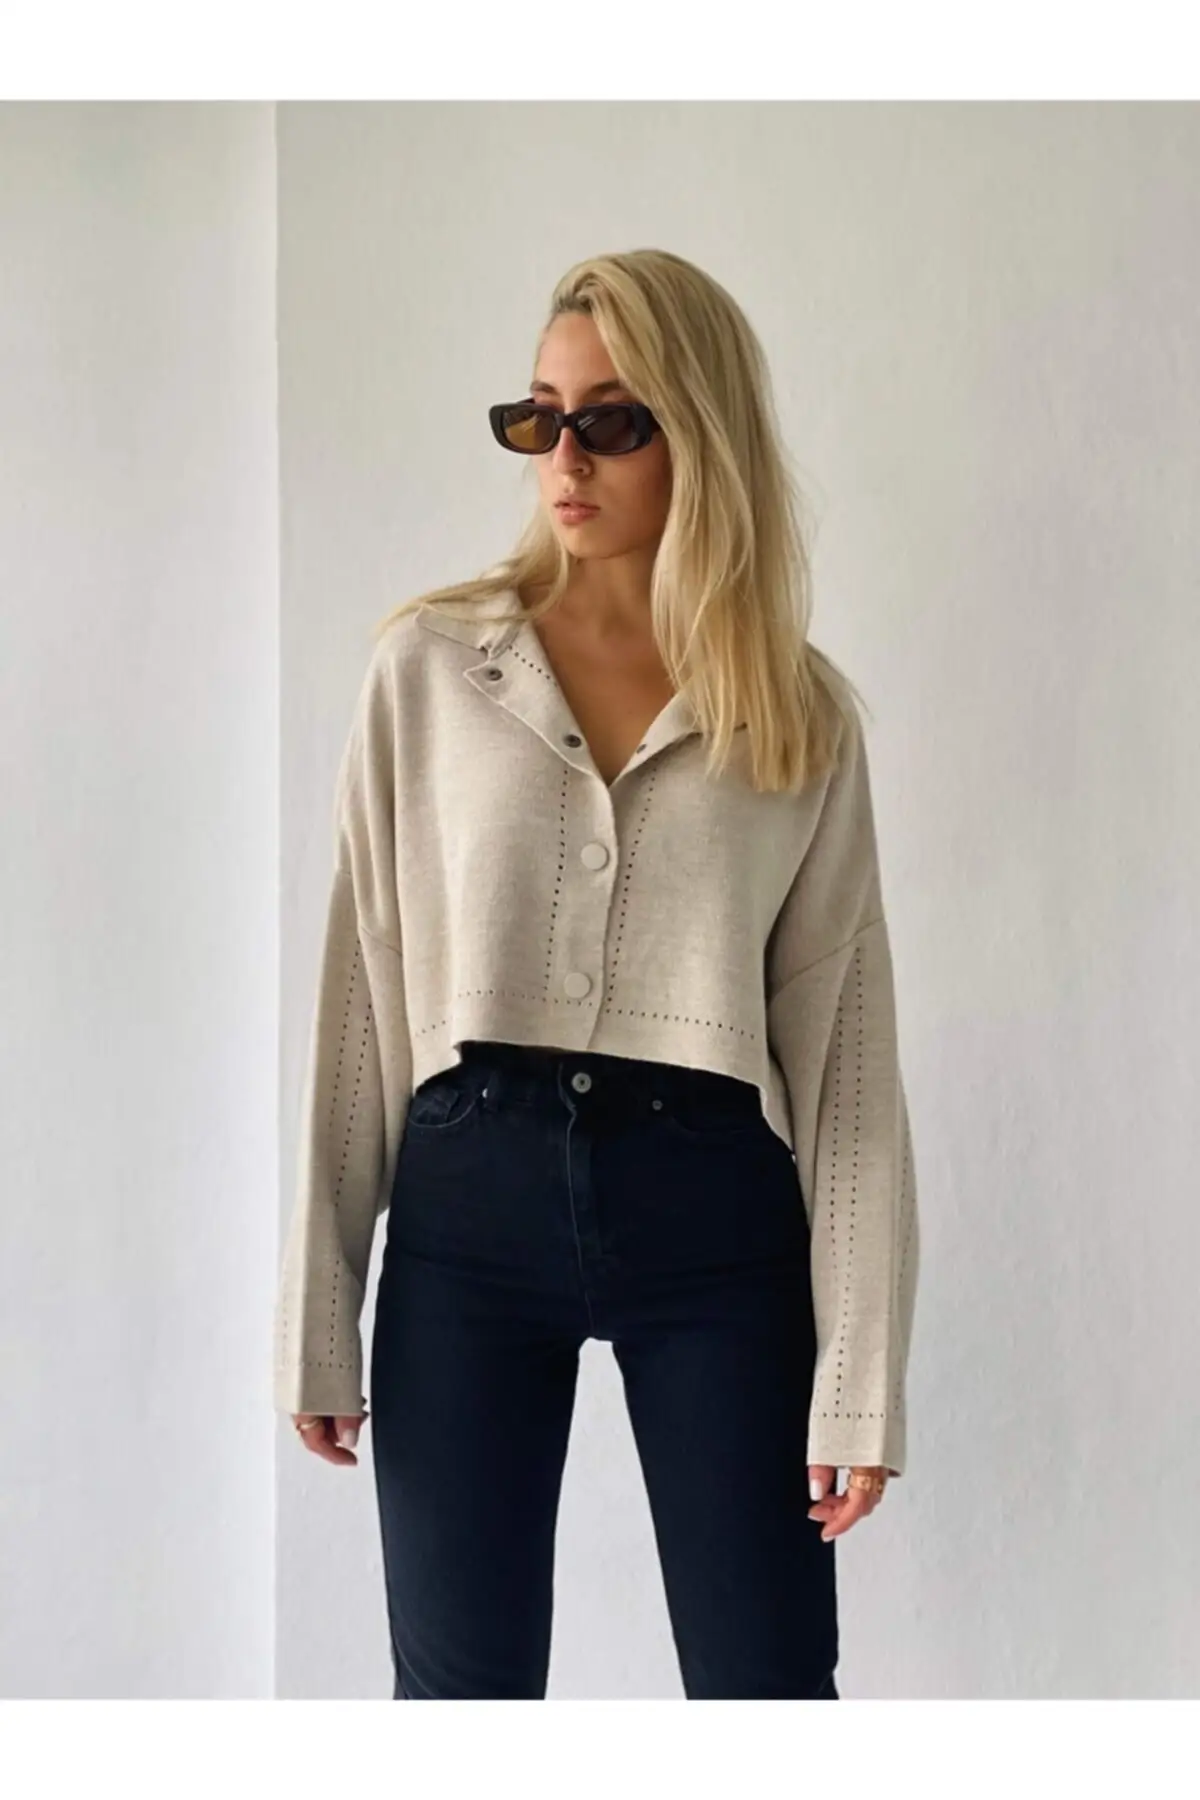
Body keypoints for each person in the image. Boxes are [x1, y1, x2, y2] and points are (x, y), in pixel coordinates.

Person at [272, 247, 919, 1700]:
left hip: (717, 1220)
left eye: (612, 421)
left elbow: (847, 1064)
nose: (563, 459)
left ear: (703, 435)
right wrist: (319, 1310)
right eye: (538, 417)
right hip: (468, 1210)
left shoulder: (795, 713)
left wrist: (861, 1376)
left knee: (767, 1691)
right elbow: (361, 994)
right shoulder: (430, 669)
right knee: (460, 1702)